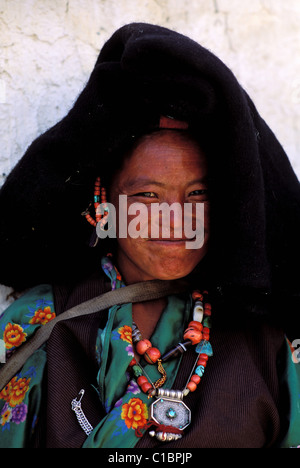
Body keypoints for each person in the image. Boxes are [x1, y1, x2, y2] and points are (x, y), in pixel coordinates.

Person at [0, 22, 299, 448]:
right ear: (104, 200)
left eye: (197, 194)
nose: (176, 220)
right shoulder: (41, 326)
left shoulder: (265, 347)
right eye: (147, 195)